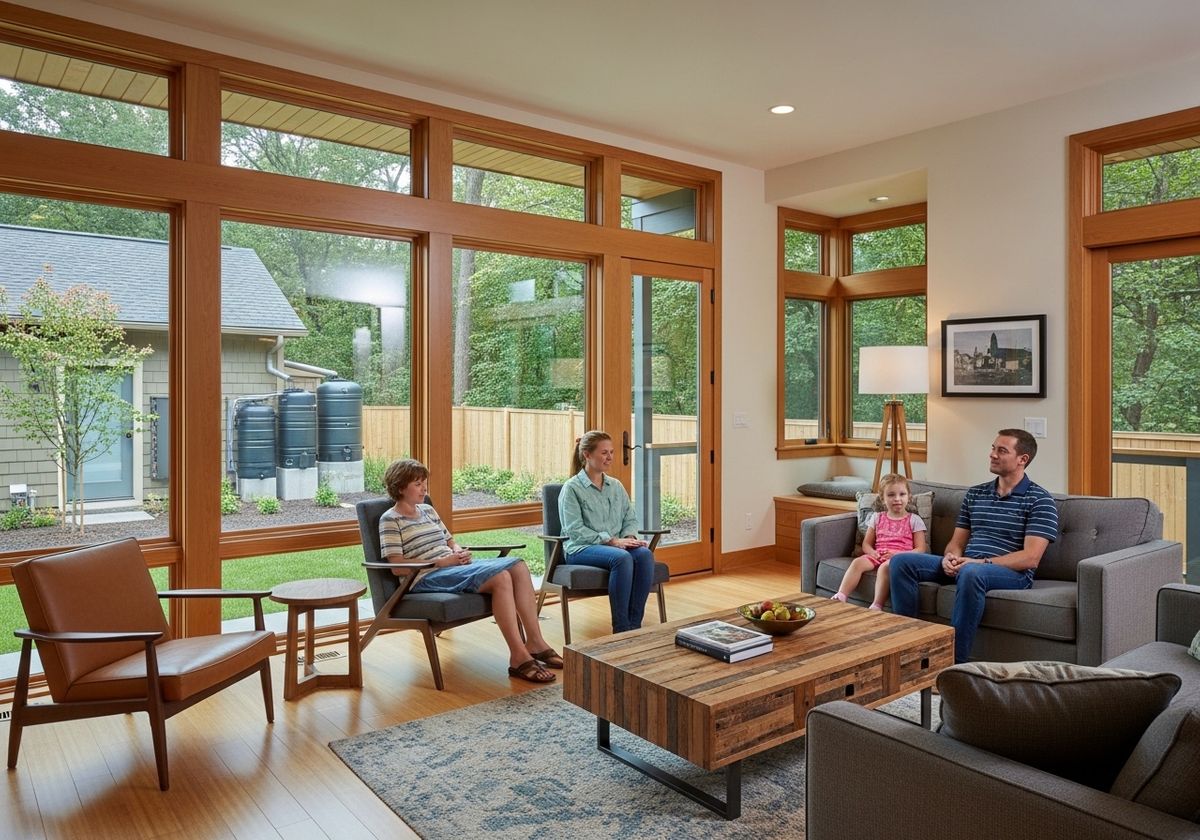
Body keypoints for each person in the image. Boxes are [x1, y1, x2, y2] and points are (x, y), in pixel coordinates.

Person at [378, 458, 563, 684]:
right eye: (417, 483)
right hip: (425, 577)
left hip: (452, 566)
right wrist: (442, 562)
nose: (424, 488)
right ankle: (518, 656)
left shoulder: (427, 510)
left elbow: (449, 540)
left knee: (518, 565)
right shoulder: (390, 520)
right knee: (501, 577)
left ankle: (535, 642)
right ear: (399, 487)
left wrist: (459, 551)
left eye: (424, 482)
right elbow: (397, 565)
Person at [888, 429, 1059, 664]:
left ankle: (953, 666)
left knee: (971, 572)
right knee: (901, 561)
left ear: (1023, 459)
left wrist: (977, 563)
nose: (992, 455)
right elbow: (957, 542)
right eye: (992, 448)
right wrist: (950, 557)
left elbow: (1030, 558)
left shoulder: (1040, 500)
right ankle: (908, 654)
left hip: (1011, 573)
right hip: (968, 565)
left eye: (1002, 450)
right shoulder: (976, 493)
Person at [558, 430, 656, 634]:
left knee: (645, 555)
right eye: (604, 453)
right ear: (587, 455)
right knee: (621, 558)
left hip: (616, 545)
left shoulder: (616, 486)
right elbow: (574, 530)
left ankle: (634, 627)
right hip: (581, 548)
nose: (610, 457)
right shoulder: (571, 488)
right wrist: (612, 541)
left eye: (611, 452)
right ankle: (620, 629)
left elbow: (630, 517)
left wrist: (629, 538)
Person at [830, 473, 927, 610]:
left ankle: (877, 604)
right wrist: (872, 552)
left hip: (900, 558)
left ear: (909, 496)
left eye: (902, 494)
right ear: (882, 498)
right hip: (878, 555)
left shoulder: (914, 520)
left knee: (884, 568)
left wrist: (897, 555)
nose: (897, 499)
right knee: (857, 562)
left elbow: (921, 549)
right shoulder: (877, 518)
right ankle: (841, 595)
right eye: (891, 495)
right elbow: (866, 544)